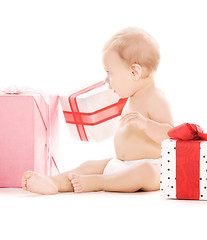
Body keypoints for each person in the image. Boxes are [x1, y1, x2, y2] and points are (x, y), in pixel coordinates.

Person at [22, 27, 174, 194]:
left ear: (134, 72)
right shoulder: (132, 97)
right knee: (89, 165)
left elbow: (171, 136)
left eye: (110, 72)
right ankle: (55, 182)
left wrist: (145, 124)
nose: (106, 79)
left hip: (153, 165)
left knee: (145, 171)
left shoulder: (154, 97)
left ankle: (99, 182)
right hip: (122, 164)